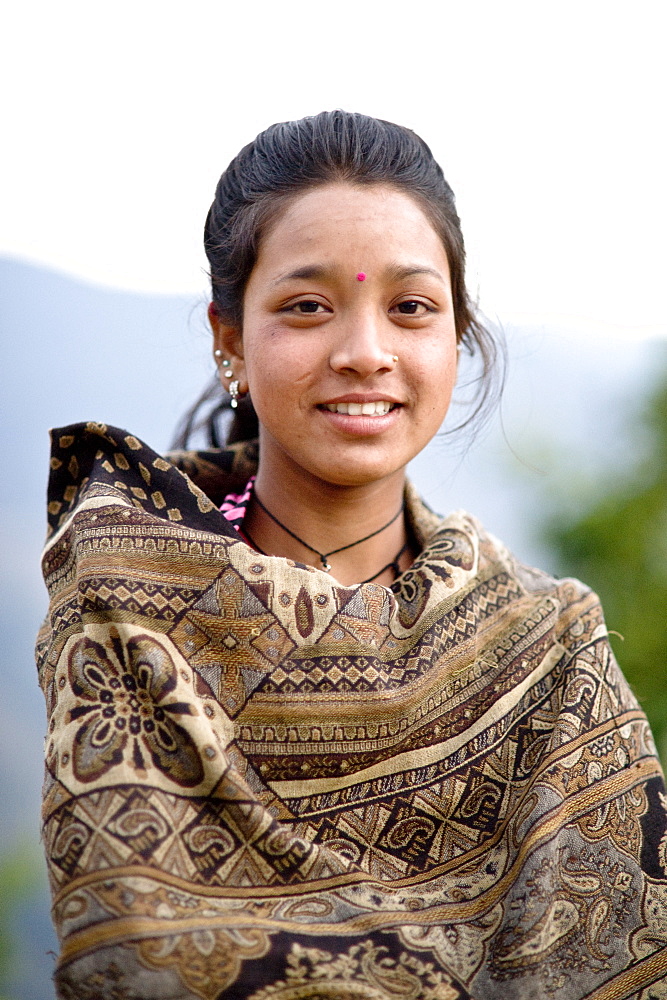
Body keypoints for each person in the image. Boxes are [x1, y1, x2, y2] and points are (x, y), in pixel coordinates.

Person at [38, 111, 667, 999]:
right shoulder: (125, 597)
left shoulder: (545, 648)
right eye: (307, 306)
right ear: (230, 340)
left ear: (454, 335)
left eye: (409, 307)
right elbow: (140, 957)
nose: (364, 352)